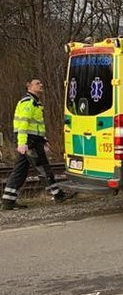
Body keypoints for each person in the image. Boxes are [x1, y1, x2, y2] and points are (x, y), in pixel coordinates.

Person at [2, 78, 73, 210]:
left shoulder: (36, 103)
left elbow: (37, 126)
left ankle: (8, 200)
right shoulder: (28, 102)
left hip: (33, 140)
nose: (41, 85)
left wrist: (44, 140)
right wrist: (22, 143)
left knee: (20, 171)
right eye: (37, 83)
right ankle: (57, 195)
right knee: (43, 168)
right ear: (28, 86)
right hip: (30, 142)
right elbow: (23, 124)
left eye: (41, 83)